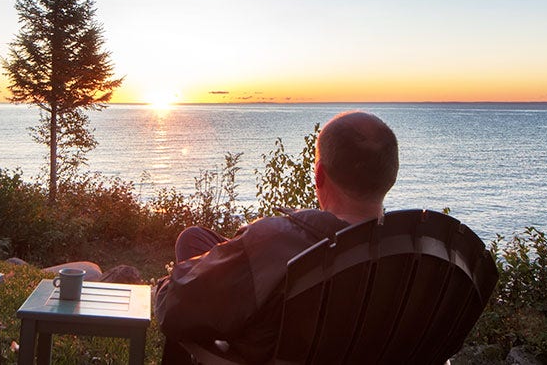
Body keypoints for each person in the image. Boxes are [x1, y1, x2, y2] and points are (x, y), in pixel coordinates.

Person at [154, 111, 399, 364]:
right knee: (194, 239)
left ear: (319, 175)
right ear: (390, 176)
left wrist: (164, 287)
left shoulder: (276, 241)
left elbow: (174, 310)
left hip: (256, 351)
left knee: (193, 293)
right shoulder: (420, 259)